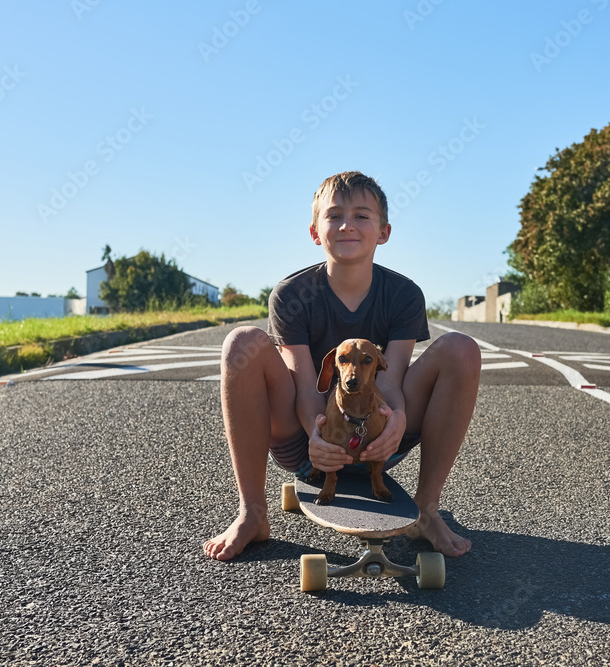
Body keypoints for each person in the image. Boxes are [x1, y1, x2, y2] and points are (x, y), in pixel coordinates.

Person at [203, 171, 480, 561]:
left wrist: (397, 418)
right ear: (316, 232)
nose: (348, 224)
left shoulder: (403, 294)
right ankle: (252, 512)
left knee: (461, 348)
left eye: (362, 216)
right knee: (242, 342)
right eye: (334, 216)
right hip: (307, 443)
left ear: (383, 232)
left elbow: (394, 377)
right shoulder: (292, 295)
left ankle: (427, 510)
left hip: (380, 440)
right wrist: (318, 438)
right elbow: (302, 385)